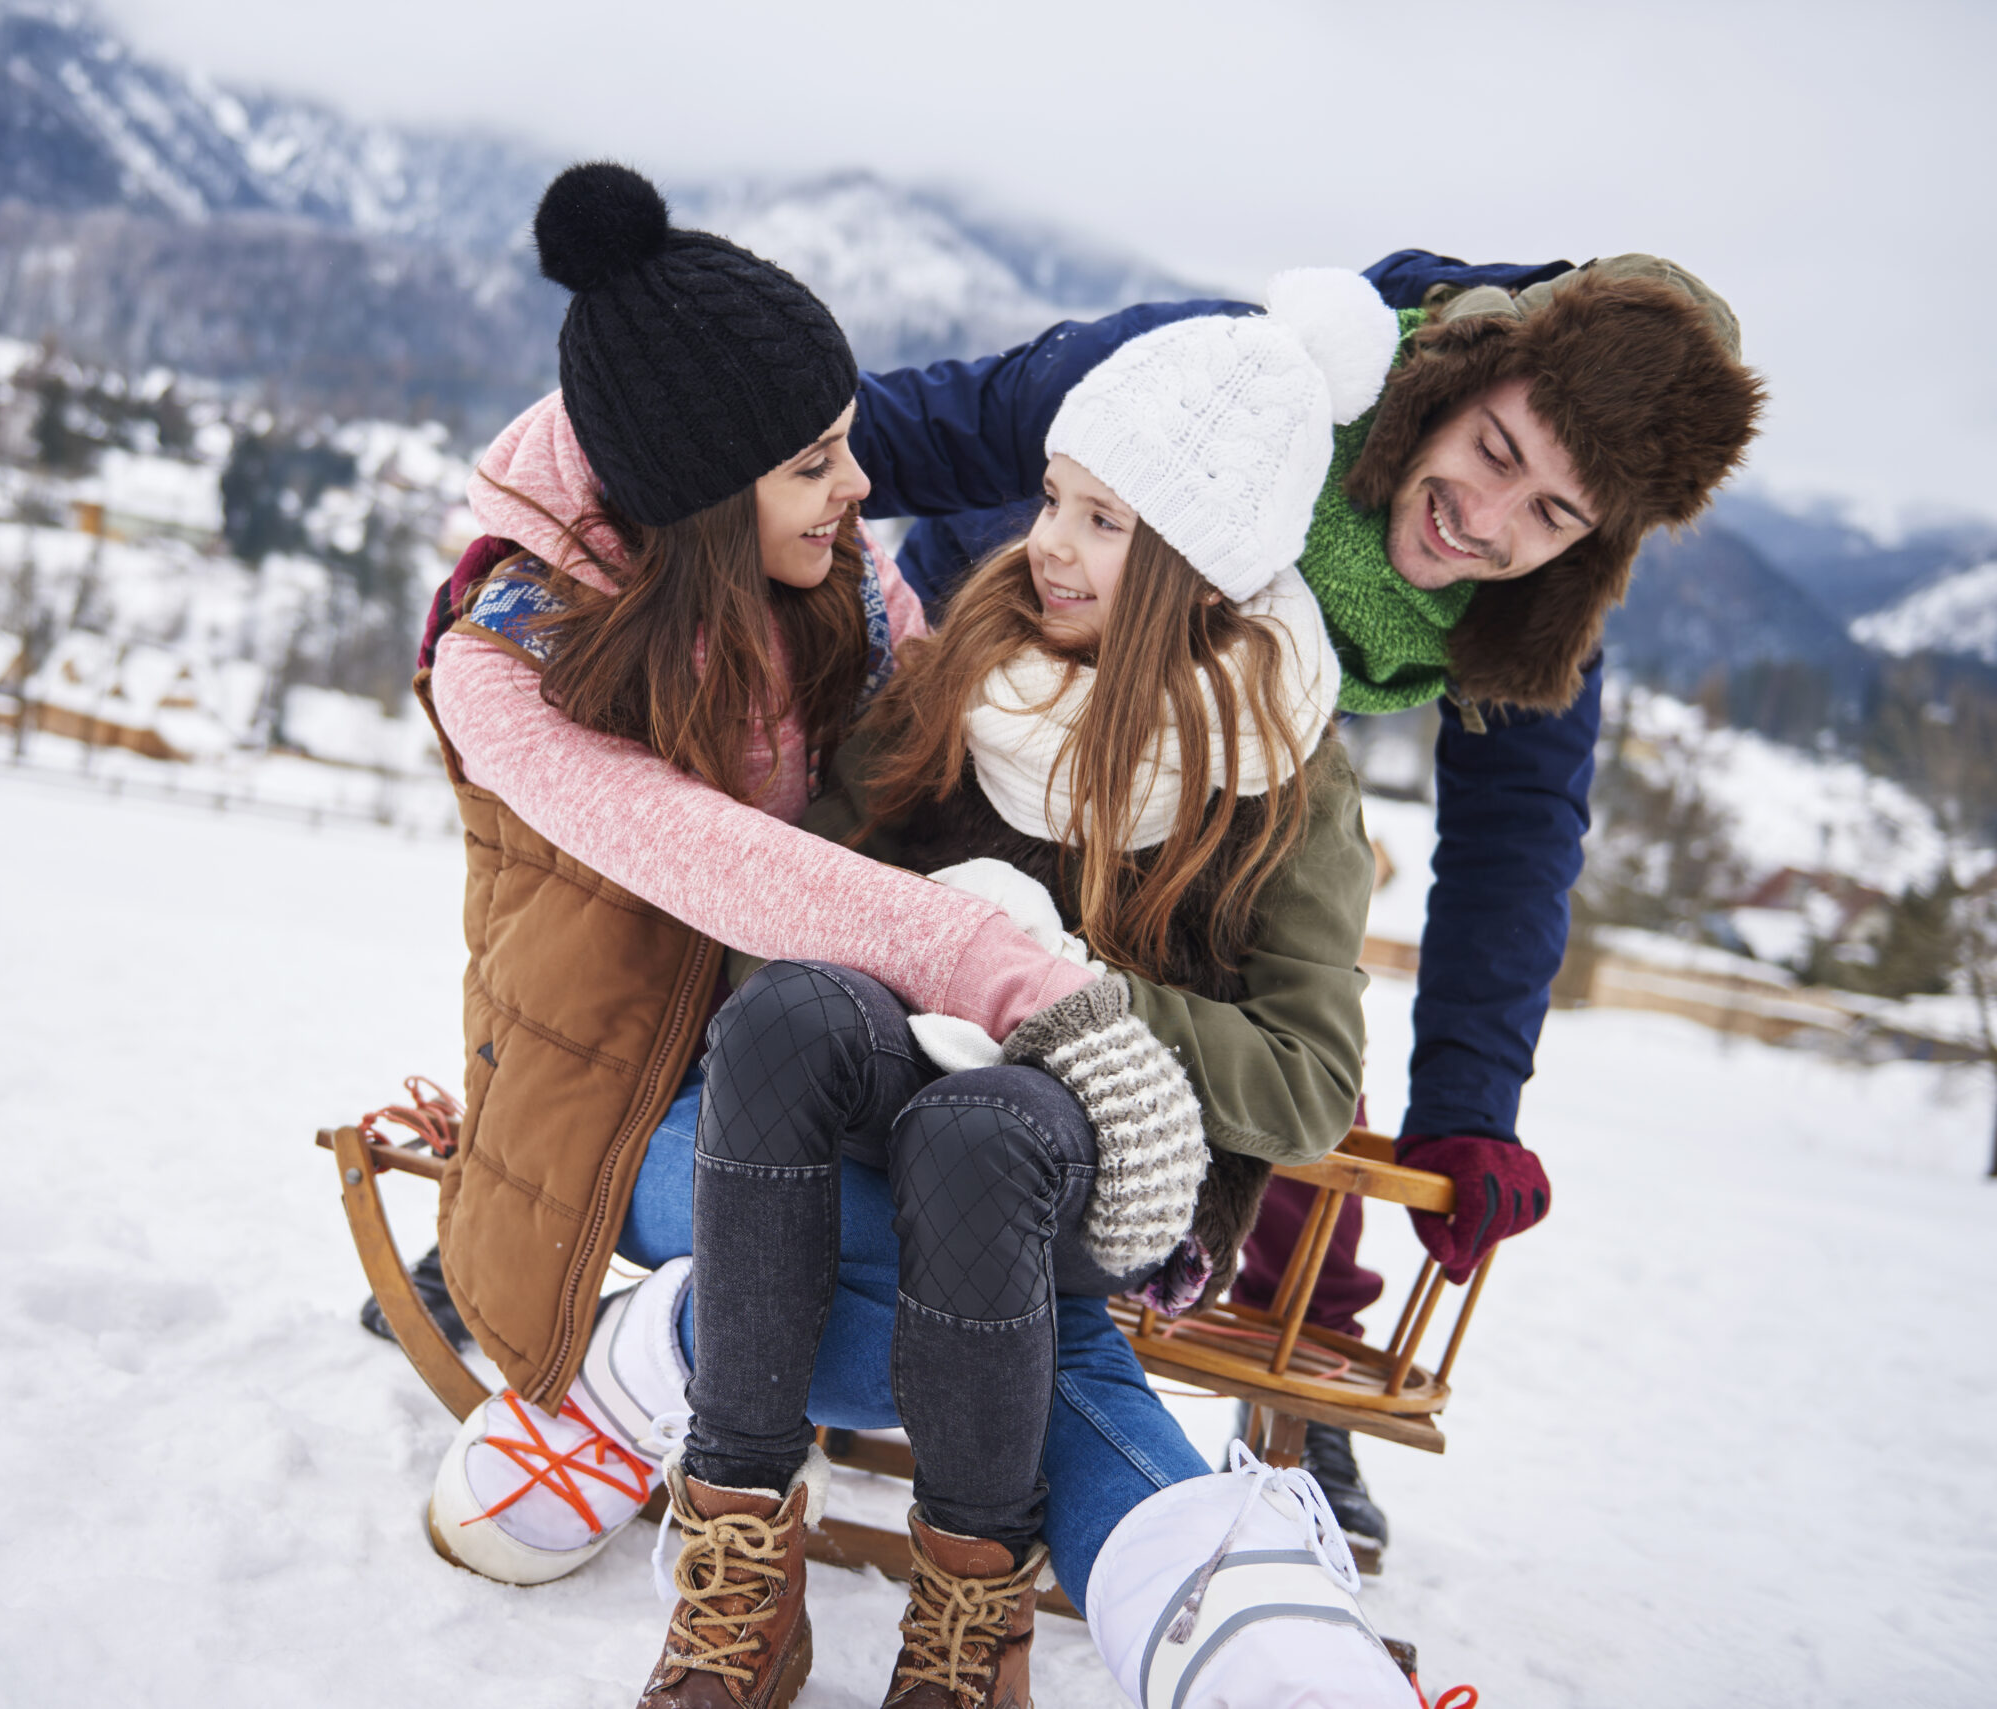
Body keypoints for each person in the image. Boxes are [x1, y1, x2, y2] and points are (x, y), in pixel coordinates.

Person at [411, 162, 1392, 1705]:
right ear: (706, 495)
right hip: (646, 1110)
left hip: (957, 1143)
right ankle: (1212, 1618)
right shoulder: (515, 656)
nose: (869, 490)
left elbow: (1300, 1067)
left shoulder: (870, 600)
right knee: (989, 1292)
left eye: (1100, 520)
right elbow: (745, 874)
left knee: (969, 1218)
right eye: (817, 462)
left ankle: (660, 1379)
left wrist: (1060, 1006)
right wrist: (1010, 967)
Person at [844, 250, 1764, 1558]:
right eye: (1494, 449)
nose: (1488, 522)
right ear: (1443, 378)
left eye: (1554, 513)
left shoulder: (1529, 618)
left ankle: (1286, 1385)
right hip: (1002, 656)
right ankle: (682, 1206)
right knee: (857, 943)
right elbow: (967, 414)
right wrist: (756, 439)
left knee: (1275, 1035)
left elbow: (1514, 850)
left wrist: (1468, 1116)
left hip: (1211, 772)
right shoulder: (1259, 368)